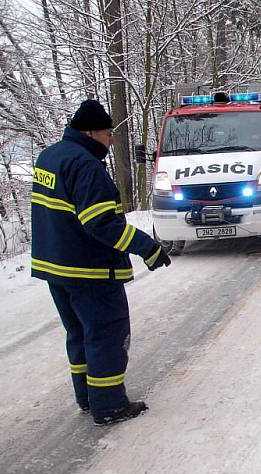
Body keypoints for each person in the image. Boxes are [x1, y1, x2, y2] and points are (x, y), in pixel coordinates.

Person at [31, 99, 172, 425]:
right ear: (91, 131)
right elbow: (101, 224)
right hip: (89, 271)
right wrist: (147, 247)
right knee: (107, 335)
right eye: (108, 133)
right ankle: (109, 405)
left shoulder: (49, 157)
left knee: (79, 335)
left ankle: (88, 397)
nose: (111, 140)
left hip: (56, 268)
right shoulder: (86, 167)